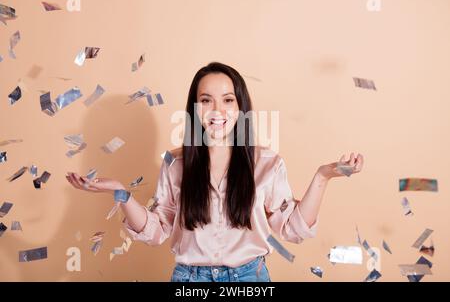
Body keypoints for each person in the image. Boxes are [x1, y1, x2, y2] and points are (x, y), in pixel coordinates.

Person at [66, 62, 364, 282]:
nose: (217, 110)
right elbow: (157, 230)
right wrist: (122, 193)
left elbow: (293, 228)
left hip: (250, 280)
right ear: (195, 108)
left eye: (228, 100)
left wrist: (323, 175)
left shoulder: (267, 163)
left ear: (240, 107)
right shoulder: (175, 163)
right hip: (188, 281)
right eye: (206, 100)